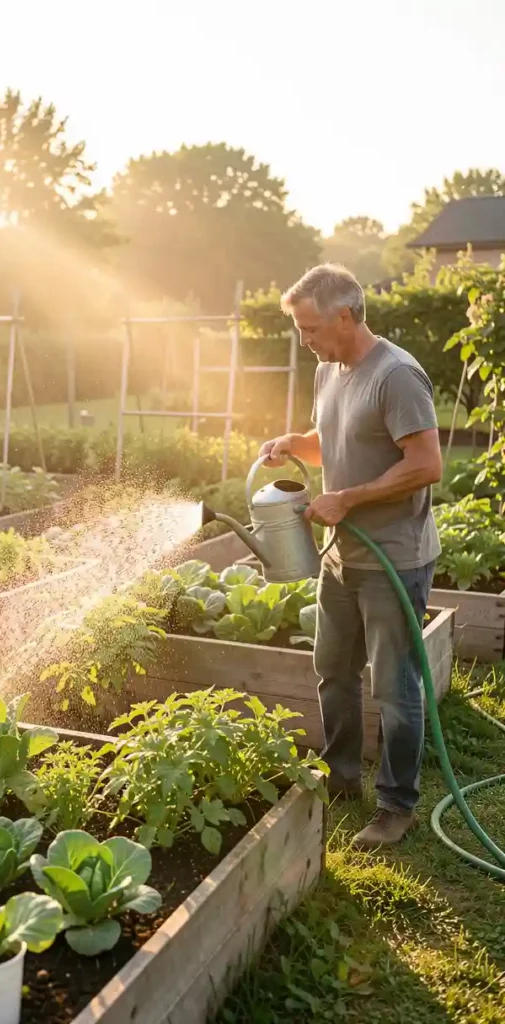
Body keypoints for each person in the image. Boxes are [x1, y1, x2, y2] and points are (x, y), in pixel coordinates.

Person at [260, 264, 442, 850]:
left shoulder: (396, 376)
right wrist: (294, 443)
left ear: (345, 316)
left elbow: (425, 466)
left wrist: (349, 499)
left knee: (394, 687)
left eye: (310, 327)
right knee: (333, 672)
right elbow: (333, 440)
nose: (304, 339)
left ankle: (395, 806)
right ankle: (340, 778)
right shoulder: (329, 369)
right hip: (342, 558)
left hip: (393, 558)